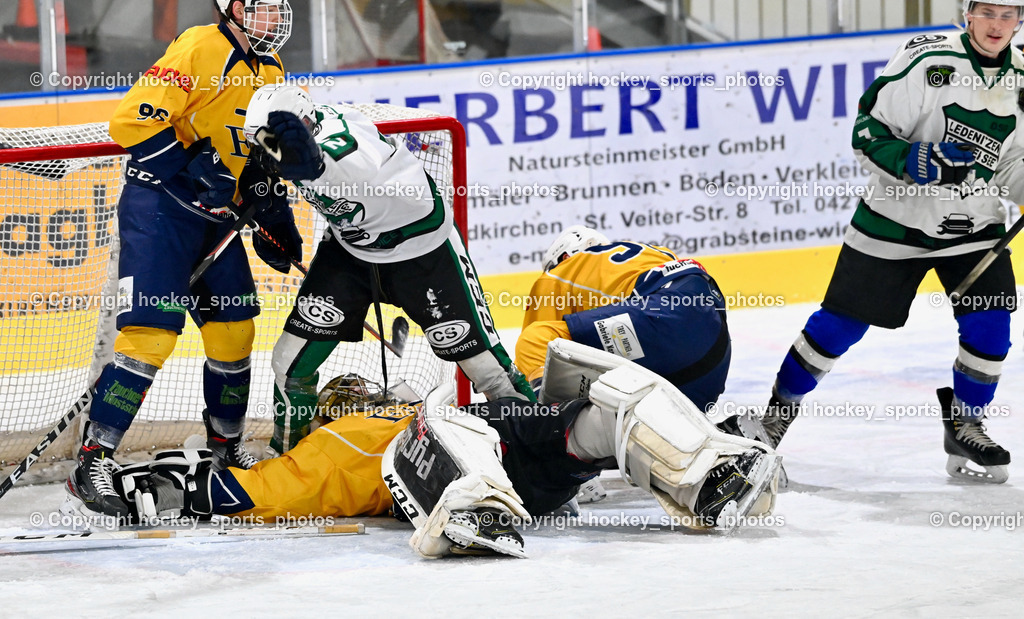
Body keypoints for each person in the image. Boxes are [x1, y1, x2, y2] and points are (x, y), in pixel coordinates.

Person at [735, 0, 1024, 484]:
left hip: (973, 224)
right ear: (968, 14)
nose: (996, 24)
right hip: (896, 221)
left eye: (1008, 15)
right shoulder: (929, 60)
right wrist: (915, 160)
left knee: (990, 322)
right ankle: (776, 417)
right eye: (987, 13)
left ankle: (965, 423)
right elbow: (869, 131)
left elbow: (1011, 164)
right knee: (839, 325)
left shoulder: (1021, 78)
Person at [109, 339, 782, 557]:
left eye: (357, 387)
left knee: (613, 395)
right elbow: (263, 491)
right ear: (333, 411)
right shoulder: (339, 443)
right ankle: (473, 512)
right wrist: (167, 489)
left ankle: (708, 475)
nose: (360, 391)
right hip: (456, 466)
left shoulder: (394, 408)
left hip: (510, 443)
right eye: (348, 392)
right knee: (439, 421)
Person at [66, 0, 302, 517]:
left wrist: (272, 210)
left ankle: (224, 452)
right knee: (150, 336)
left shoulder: (271, 69)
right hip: (161, 210)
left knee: (235, 332)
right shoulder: (199, 47)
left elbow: (259, 153)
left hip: (218, 218)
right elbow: (131, 121)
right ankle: (93, 460)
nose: (277, 19)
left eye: (280, 9)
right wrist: (194, 162)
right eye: (267, 8)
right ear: (236, 8)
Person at [238, 84, 536, 455]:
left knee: (487, 369)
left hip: (423, 251)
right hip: (351, 251)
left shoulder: (343, 143)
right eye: (255, 141)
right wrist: (270, 216)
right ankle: (287, 459)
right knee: (289, 362)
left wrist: (316, 164)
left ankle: (541, 454)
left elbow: (349, 164)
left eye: (264, 142)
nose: (261, 150)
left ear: (306, 126)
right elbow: (266, 174)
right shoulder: (289, 137)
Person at [515, 226, 730, 412]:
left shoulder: (556, 274)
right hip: (714, 355)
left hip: (660, 321)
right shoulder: (651, 254)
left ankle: (549, 420)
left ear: (564, 258)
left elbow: (543, 351)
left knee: (535, 339)